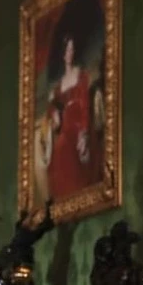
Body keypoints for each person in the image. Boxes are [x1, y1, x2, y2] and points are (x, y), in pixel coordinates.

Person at [40, 34, 100, 199]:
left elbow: (85, 105)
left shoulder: (81, 76)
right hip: (65, 128)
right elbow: (52, 110)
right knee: (59, 148)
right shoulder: (58, 87)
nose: (70, 53)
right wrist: (55, 114)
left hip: (79, 126)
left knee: (66, 146)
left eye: (72, 50)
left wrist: (83, 133)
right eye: (67, 50)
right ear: (63, 53)